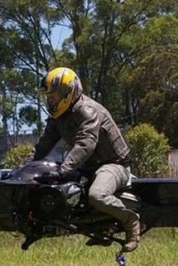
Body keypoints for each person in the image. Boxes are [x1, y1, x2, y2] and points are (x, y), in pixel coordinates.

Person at [32, 67, 141, 252]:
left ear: (68, 92)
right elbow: (42, 147)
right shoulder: (57, 117)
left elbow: (85, 144)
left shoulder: (87, 111)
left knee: (96, 195)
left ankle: (131, 221)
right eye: (47, 97)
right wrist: (23, 171)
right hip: (87, 167)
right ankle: (99, 227)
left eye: (53, 96)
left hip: (114, 164)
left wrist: (63, 170)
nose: (49, 101)